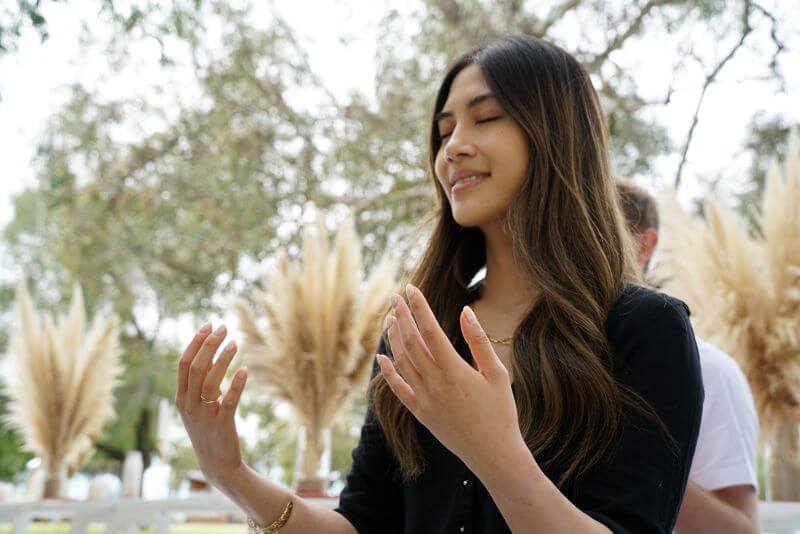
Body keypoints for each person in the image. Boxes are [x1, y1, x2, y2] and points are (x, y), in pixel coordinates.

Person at [175, 35, 703, 533]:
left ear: (558, 134)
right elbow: (362, 525)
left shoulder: (647, 329)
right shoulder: (417, 334)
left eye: (487, 117)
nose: (452, 149)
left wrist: (491, 450)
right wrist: (232, 475)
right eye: (445, 130)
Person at [616, 180, 760, 534]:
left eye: (597, 229)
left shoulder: (711, 371)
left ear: (644, 245)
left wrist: (631, 450)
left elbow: (741, 530)